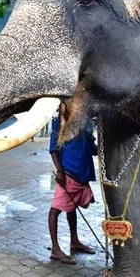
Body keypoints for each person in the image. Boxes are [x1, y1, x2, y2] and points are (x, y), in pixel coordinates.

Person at [48, 103, 97, 265]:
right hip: (68, 173)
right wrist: (60, 170)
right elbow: (54, 149)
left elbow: (93, 149)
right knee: (56, 209)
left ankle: (74, 241)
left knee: (71, 208)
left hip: (82, 174)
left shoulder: (86, 123)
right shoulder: (60, 122)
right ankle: (55, 249)